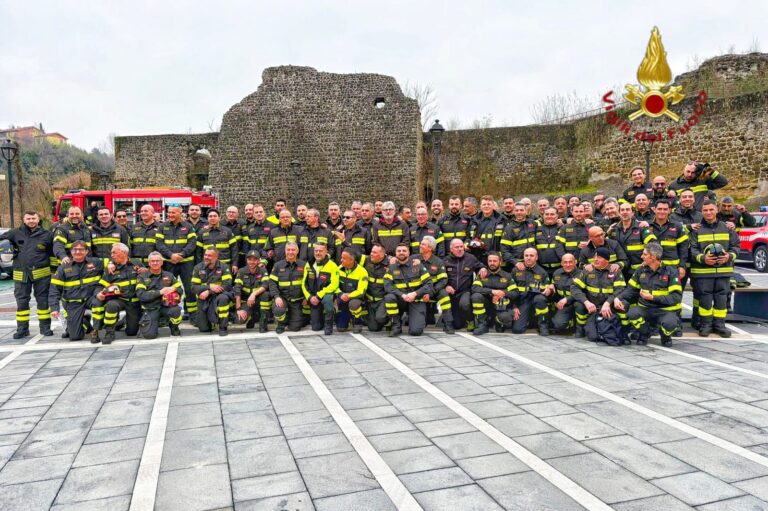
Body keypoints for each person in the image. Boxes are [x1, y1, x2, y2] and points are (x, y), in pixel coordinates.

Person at [689, 199, 739, 337]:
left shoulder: (727, 228)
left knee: (721, 298)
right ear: (702, 212)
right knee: (705, 298)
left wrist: (729, 256)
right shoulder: (696, 230)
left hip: (723, 271)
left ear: (716, 210)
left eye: (711, 209)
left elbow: (736, 246)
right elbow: (692, 249)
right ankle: (706, 324)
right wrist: (703, 258)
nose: (708, 212)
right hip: (703, 272)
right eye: (705, 210)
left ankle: (720, 324)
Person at [617, 242, 682, 346]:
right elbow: (630, 290)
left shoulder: (671, 272)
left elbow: (676, 297)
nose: (642, 256)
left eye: (645, 254)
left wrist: (653, 297)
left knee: (670, 323)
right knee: (632, 313)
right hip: (646, 309)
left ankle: (665, 336)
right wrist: (618, 298)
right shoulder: (640, 270)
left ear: (653, 257)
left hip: (665, 310)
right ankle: (645, 333)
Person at [1, 211, 54, 338]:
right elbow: (2, 241)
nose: (31, 221)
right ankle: (22, 329)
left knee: (43, 301)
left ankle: (45, 328)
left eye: (33, 218)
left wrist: (54, 270)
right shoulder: (15, 232)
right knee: (22, 302)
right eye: (28, 218)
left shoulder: (47, 235)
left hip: (42, 274)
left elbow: (52, 254)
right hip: (21, 274)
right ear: (24, 220)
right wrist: (8, 249)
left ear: (38, 219)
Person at [49, 240, 104, 341]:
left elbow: (115, 260)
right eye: (75, 250)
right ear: (71, 251)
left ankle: (95, 330)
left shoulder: (96, 262)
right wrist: (54, 308)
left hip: (90, 299)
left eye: (81, 250)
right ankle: (84, 322)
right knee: (75, 337)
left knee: (98, 302)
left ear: (86, 251)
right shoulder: (63, 267)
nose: (78, 252)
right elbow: (54, 289)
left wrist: (111, 265)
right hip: (73, 303)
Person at [571, 247, 628, 343]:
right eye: (595, 257)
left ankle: (623, 332)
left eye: (599, 257)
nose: (595, 259)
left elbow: (620, 289)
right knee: (592, 336)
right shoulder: (588, 270)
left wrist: (608, 303)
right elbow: (574, 287)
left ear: (607, 260)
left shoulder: (615, 271)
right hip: (593, 309)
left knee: (624, 304)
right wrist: (586, 302)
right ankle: (581, 329)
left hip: (609, 308)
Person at [92, 243, 141, 344]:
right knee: (111, 305)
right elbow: (100, 286)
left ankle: (121, 322)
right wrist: (98, 294)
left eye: (114, 252)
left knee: (132, 332)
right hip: (119, 300)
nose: (112, 255)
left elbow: (147, 276)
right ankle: (109, 332)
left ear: (124, 253)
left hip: (134, 302)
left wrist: (145, 271)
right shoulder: (110, 268)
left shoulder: (136, 263)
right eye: (111, 253)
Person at [383, 243, 433, 336]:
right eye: (399, 251)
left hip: (416, 300)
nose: (401, 253)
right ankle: (396, 325)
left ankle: (411, 318)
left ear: (409, 253)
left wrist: (415, 293)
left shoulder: (418, 265)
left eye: (404, 251)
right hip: (400, 300)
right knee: (389, 297)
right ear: (395, 253)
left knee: (416, 332)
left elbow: (429, 284)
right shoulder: (391, 268)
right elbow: (387, 286)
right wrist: (402, 295)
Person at [136, 251, 183, 339]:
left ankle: (174, 327)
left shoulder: (169, 275)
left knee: (176, 310)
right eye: (152, 261)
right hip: (151, 308)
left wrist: (174, 289)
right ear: (149, 263)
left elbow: (180, 289)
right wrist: (160, 292)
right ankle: (153, 323)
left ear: (161, 262)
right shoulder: (142, 277)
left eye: (157, 261)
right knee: (149, 335)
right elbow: (141, 295)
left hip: (166, 307)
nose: (155, 263)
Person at [443, 238, 487, 330]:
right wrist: (446, 286)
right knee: (457, 325)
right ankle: (449, 320)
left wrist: (483, 268)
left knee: (464, 304)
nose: (459, 249)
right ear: (451, 249)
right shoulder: (446, 260)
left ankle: (470, 320)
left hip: (465, 291)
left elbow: (480, 266)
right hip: (451, 292)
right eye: (456, 247)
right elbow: (441, 277)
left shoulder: (471, 258)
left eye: (461, 246)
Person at [190, 247, 233, 336]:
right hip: (204, 298)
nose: (206, 257)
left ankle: (223, 327)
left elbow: (227, 285)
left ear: (216, 257)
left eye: (209, 255)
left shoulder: (224, 267)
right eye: (205, 255)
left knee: (223, 298)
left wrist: (209, 292)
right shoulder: (198, 268)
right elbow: (193, 287)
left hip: (218, 296)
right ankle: (212, 321)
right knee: (204, 329)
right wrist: (210, 287)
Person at [508, 248, 551, 335]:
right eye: (526, 255)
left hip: (536, 301)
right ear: (523, 257)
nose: (528, 258)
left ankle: (543, 325)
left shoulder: (542, 272)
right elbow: (511, 290)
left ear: (536, 257)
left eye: (531, 255)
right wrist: (514, 306)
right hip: (522, 302)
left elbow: (547, 291)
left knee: (540, 299)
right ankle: (528, 320)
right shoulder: (516, 270)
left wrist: (548, 290)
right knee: (517, 330)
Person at [415, 236, 454, 334]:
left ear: (430, 248)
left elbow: (443, 281)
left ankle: (448, 324)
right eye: (421, 243)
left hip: (434, 290)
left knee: (444, 295)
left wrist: (430, 292)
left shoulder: (438, 262)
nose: (420, 245)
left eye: (423, 244)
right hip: (418, 290)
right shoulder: (414, 259)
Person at [470, 252, 515, 334]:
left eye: (495, 261)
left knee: (506, 318)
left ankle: (498, 322)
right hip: (486, 305)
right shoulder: (482, 275)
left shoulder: (507, 276)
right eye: (490, 261)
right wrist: (492, 292)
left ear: (500, 262)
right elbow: (474, 288)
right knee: (476, 296)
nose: (492, 263)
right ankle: (482, 324)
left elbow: (515, 292)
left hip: (501, 306)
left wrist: (502, 293)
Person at [269, 241, 307, 333]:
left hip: (297, 301)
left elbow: (308, 283)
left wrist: (307, 297)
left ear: (297, 251)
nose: (290, 252)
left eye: (293, 250)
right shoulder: (278, 265)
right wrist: (276, 297)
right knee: (278, 310)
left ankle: (291, 318)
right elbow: (272, 282)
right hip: (283, 299)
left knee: (295, 328)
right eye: (288, 250)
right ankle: (281, 323)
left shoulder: (304, 265)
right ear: (285, 251)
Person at [302, 244, 339, 335]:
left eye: (321, 251)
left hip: (326, 294)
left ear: (326, 252)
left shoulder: (332, 265)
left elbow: (334, 284)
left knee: (327, 300)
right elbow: (303, 284)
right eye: (316, 251)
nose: (318, 253)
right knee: (316, 327)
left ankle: (328, 324)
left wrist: (319, 295)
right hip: (313, 297)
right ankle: (323, 315)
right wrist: (309, 297)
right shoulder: (309, 264)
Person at [612, 203, 656, 275]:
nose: (625, 212)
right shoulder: (614, 229)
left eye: (627, 209)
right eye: (622, 210)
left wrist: (647, 260)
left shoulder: (641, 227)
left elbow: (653, 244)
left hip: (640, 270)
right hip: (621, 270)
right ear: (619, 213)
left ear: (632, 213)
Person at [234, 250, 270, 332]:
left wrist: (254, 294)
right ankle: (251, 317)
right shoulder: (241, 271)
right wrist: (239, 309)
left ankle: (263, 324)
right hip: (247, 302)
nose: (252, 262)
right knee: (239, 320)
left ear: (258, 261)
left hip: (258, 299)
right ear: (246, 260)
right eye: (250, 259)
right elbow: (237, 290)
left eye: (255, 259)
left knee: (266, 295)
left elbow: (266, 285)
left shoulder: (263, 270)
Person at [336, 247, 369, 333]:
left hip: (355, 298)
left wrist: (348, 296)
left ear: (351, 260)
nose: (341, 260)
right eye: (341, 257)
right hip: (342, 299)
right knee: (341, 329)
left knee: (354, 304)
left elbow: (361, 291)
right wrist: (340, 294)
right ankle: (346, 319)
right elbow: (334, 285)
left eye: (344, 258)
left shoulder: (362, 272)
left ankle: (357, 321)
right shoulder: (339, 269)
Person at [549, 253, 582, 335]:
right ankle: (569, 322)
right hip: (564, 305)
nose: (568, 265)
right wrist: (551, 286)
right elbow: (553, 284)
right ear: (561, 263)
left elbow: (583, 292)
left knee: (579, 306)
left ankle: (579, 327)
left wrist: (567, 299)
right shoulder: (557, 273)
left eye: (570, 262)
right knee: (558, 325)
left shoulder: (582, 274)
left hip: (577, 303)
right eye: (565, 262)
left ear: (575, 262)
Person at [468, 195, 504, 263]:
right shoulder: (474, 220)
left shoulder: (501, 220)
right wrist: (472, 243)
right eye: (484, 204)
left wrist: (500, 256)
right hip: (478, 257)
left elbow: (505, 241)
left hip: (495, 258)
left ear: (493, 206)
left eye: (489, 204)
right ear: (480, 206)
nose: (486, 206)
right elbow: (468, 237)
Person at [363, 243, 390, 332]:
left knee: (380, 318)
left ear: (382, 255)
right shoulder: (366, 260)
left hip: (383, 299)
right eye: (371, 251)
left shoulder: (390, 264)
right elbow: (354, 254)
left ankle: (391, 320)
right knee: (373, 328)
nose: (371, 254)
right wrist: (344, 241)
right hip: (370, 300)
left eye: (374, 252)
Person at [500, 202, 536, 268]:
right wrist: (515, 262)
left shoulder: (533, 224)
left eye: (521, 210)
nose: (519, 212)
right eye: (516, 210)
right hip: (517, 265)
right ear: (514, 212)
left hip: (534, 264)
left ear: (526, 211)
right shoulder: (509, 228)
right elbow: (504, 250)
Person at [533, 207, 562, 275]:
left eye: (552, 214)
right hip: (541, 269)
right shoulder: (536, 229)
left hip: (560, 269)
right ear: (543, 216)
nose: (549, 216)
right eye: (547, 214)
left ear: (557, 216)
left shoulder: (563, 229)